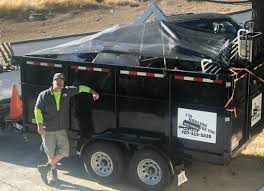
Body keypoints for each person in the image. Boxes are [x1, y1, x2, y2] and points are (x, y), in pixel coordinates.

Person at [34, 73, 99, 184]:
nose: (59, 82)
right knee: (51, 154)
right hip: (47, 130)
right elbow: (37, 110)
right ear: (52, 82)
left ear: (64, 83)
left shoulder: (67, 91)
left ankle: (45, 168)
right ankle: (53, 175)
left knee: (64, 151)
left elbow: (81, 88)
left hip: (61, 129)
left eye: (62, 81)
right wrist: (39, 125)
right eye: (57, 80)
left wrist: (93, 92)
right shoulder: (44, 95)